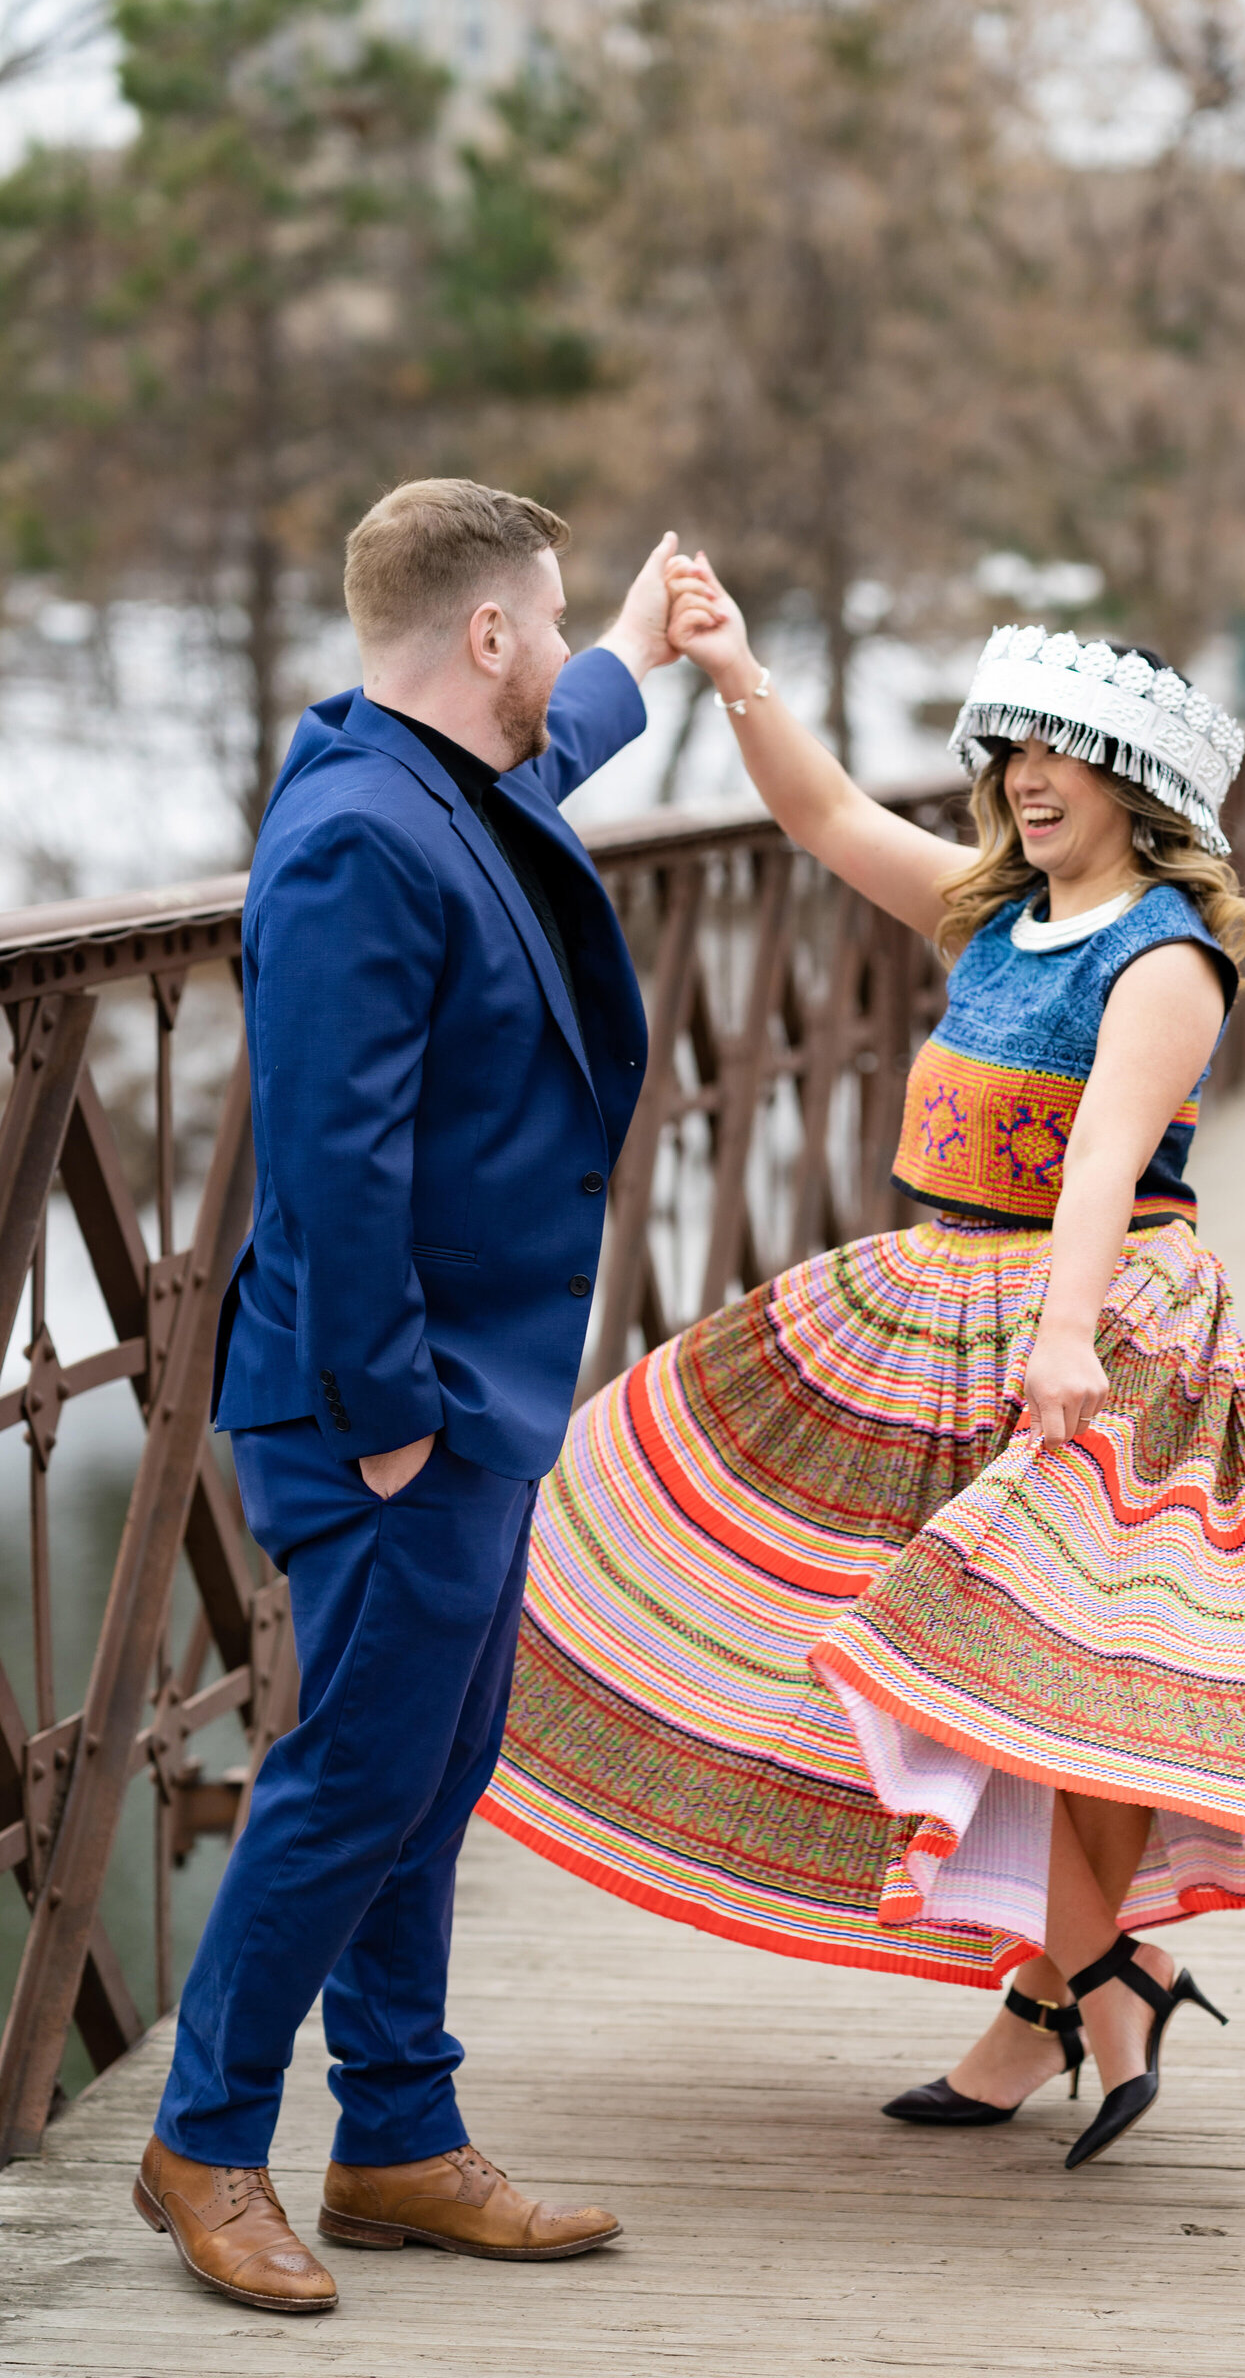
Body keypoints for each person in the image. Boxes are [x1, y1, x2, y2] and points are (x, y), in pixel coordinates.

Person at [484, 557, 1245, 2169]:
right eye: (1013, 753)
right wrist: (735, 670)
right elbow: (826, 822)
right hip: (942, 1307)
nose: (1025, 778)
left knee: (1068, 1681)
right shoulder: (999, 913)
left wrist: (1066, 1341)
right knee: (923, 1641)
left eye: (1060, 756)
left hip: (1103, 1331)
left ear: (1136, 787)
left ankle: (1073, 1989)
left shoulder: (1161, 959)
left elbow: (1103, 1166)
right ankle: (1096, 1979)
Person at [135, 481, 686, 2314]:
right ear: (482, 637)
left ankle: (393, 2138)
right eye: (543, 632)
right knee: (353, 1774)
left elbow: (566, 732)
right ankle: (207, 2145)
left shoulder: (456, 772)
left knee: (432, 1768)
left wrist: (636, 637)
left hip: (468, 1391)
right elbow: (331, 1153)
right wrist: (389, 1411)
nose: (555, 672)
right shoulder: (360, 837)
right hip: (395, 1404)